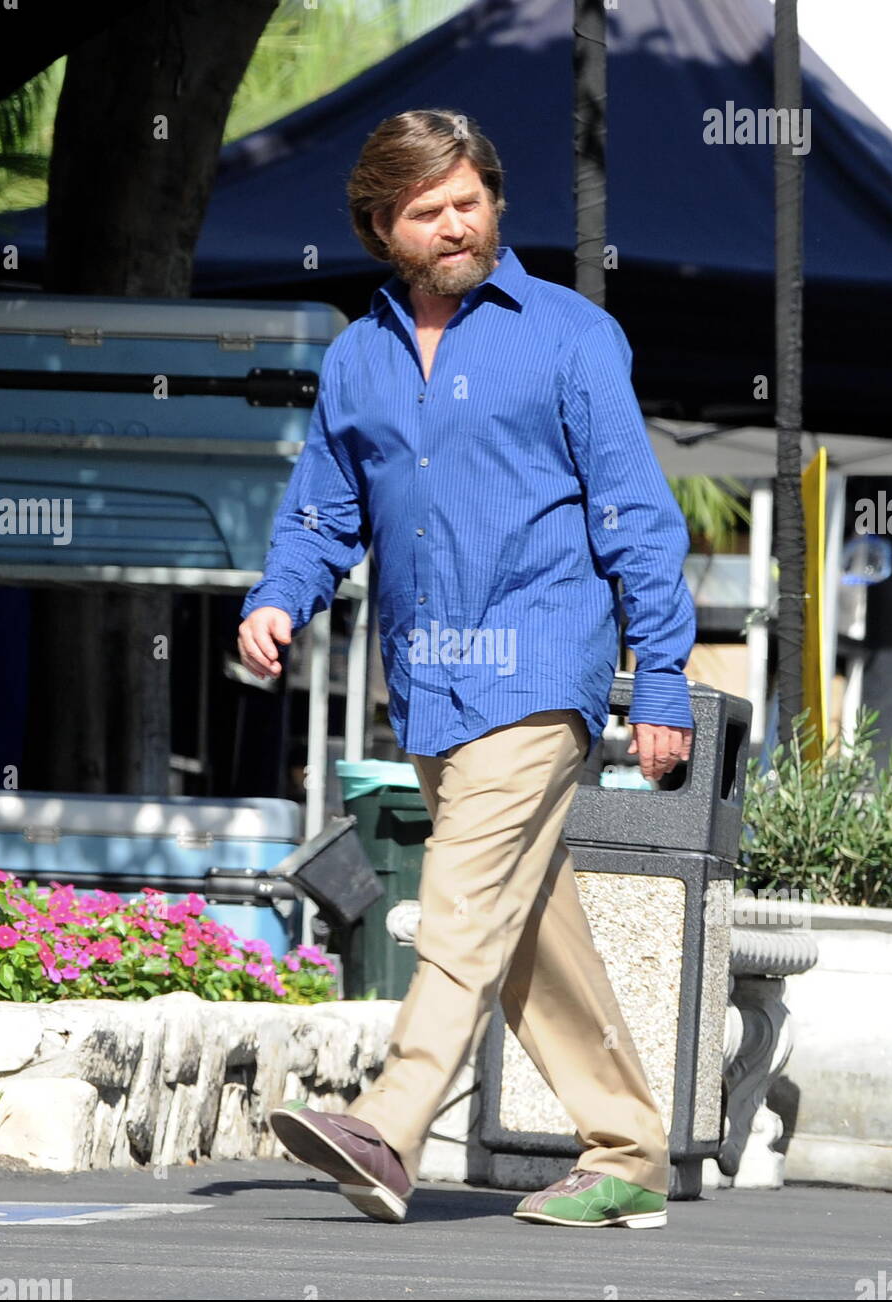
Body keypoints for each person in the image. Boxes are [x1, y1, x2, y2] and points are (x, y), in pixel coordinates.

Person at [237, 109, 696, 1227]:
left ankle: (391, 1126)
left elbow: (637, 513)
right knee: (531, 925)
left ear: (495, 199)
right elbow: (322, 512)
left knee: (459, 889)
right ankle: (630, 1148)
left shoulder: (569, 333)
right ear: (382, 226)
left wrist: (667, 677)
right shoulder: (357, 358)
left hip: (543, 663)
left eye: (471, 199)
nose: (456, 223)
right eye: (427, 210)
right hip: (432, 679)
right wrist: (276, 598)